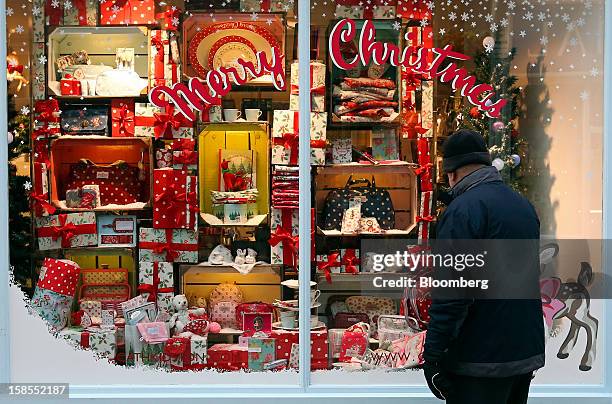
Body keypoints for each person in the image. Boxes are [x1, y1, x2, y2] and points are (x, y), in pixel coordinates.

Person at [423, 129, 545, 404]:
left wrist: (433, 355)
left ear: (451, 172)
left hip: (480, 357)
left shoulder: (463, 210)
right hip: (522, 351)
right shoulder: (521, 205)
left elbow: (454, 291)